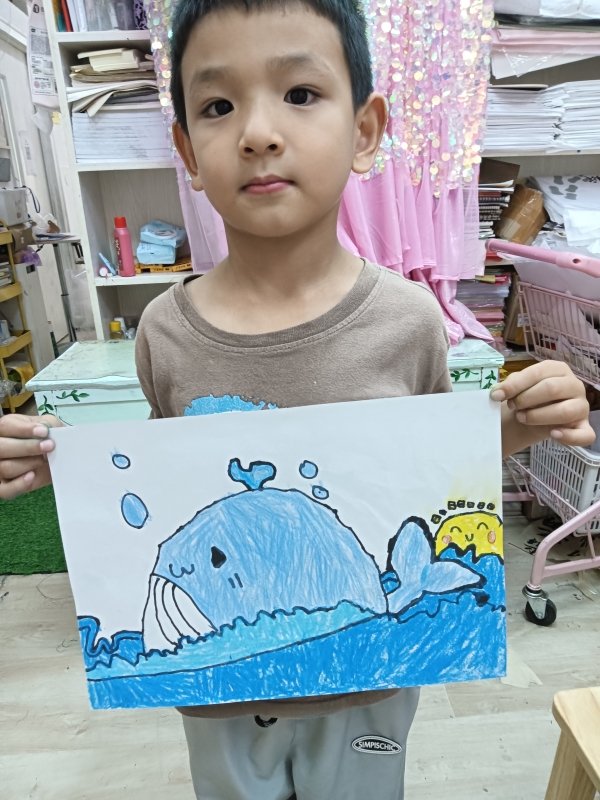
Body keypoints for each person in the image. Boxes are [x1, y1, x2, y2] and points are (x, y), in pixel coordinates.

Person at [0, 0, 593, 797]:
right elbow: (162, 478)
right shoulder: (163, 330)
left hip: (371, 685)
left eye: (300, 94)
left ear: (365, 131)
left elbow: (430, 473)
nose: (258, 132)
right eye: (218, 105)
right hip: (222, 699)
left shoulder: (410, 319)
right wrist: (60, 465)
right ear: (187, 151)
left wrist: (522, 425)